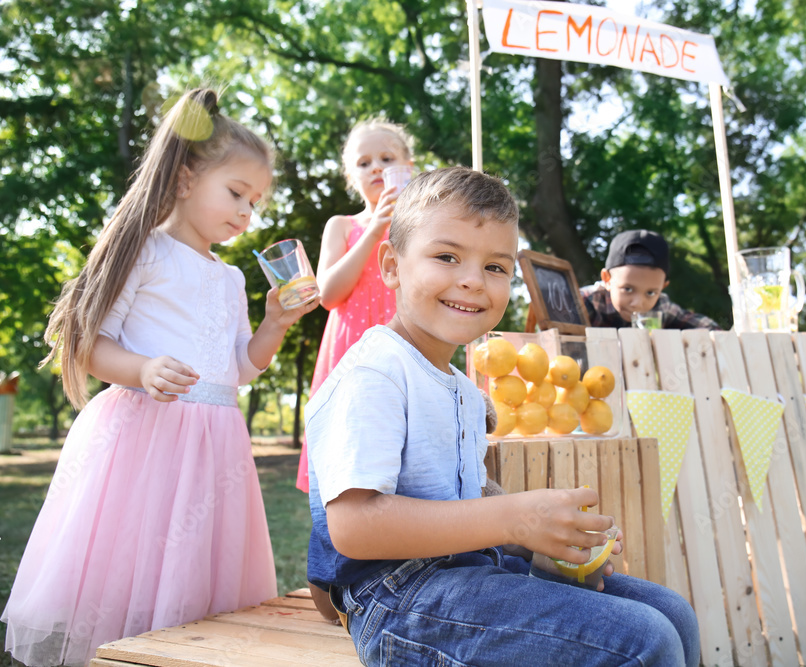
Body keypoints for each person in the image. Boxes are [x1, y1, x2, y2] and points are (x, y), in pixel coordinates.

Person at [305, 166, 700, 665]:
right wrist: (514, 518)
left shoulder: (466, 391)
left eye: (495, 267)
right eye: (446, 256)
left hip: (469, 573)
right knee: (645, 640)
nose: (472, 281)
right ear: (391, 266)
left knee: (674, 615)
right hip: (396, 599)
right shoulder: (376, 372)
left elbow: (467, 495)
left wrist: (542, 541)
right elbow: (354, 526)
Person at [1, 88, 320, 666]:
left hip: (216, 447)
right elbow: (91, 344)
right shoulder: (145, 251)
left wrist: (274, 323)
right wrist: (142, 368)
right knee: (139, 569)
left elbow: (240, 370)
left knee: (197, 575)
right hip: (147, 440)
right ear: (183, 178)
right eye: (237, 193)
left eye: (256, 201)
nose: (249, 212)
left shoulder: (229, 280)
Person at [295, 118, 413, 493]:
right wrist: (375, 230)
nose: (376, 167)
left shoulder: (421, 227)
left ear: (408, 166)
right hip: (350, 354)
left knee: (405, 458)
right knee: (346, 460)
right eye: (364, 163)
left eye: (386, 158)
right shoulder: (342, 225)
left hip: (406, 351)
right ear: (351, 176)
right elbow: (327, 294)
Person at [582, 229, 722, 330]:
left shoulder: (661, 306)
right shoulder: (585, 302)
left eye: (650, 293)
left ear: (662, 287)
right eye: (627, 289)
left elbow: (708, 328)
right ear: (607, 279)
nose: (638, 303)